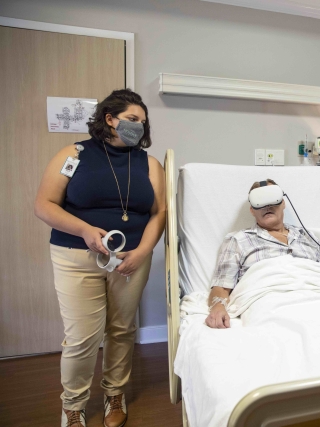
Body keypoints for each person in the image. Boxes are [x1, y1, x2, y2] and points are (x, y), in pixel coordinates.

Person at [34, 89, 166, 427]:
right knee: (82, 336)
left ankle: (114, 395)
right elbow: (45, 205)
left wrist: (142, 251)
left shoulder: (149, 163)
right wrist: (85, 231)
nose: (139, 125)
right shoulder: (74, 153)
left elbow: (159, 212)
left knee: (122, 330)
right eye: (132, 119)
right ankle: (73, 406)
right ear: (110, 118)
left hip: (130, 260)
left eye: (142, 121)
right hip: (76, 255)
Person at [205, 179, 320, 329]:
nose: (267, 206)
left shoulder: (307, 236)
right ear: (252, 210)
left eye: (273, 200)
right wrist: (218, 307)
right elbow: (221, 288)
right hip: (269, 301)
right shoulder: (238, 240)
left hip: (319, 296)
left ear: (283, 202)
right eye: (260, 202)